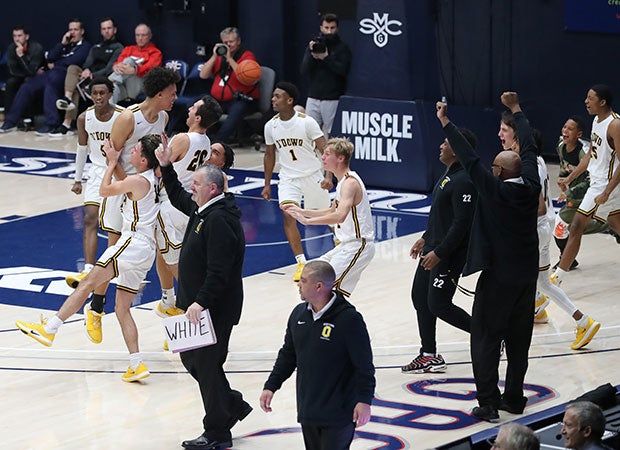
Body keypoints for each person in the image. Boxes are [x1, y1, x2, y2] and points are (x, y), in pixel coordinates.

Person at [16, 134, 162, 382]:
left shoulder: (139, 180)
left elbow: (105, 190)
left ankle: (50, 329)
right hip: (145, 250)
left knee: (87, 283)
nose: (131, 153)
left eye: (135, 151)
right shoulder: (152, 179)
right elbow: (124, 182)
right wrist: (114, 162)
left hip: (131, 242)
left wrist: (109, 163)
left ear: (144, 160)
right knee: (122, 308)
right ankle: (136, 364)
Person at [437, 93, 540, 423]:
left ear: (498, 172)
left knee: (484, 337)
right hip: (526, 277)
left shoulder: (495, 190)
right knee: (519, 341)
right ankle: (514, 396)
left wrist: (445, 123)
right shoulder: (531, 185)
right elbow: (530, 150)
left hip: (497, 277)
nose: (491, 169)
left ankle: (488, 402)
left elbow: (468, 159)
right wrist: (518, 111)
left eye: (495, 166)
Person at [65, 66, 179, 340]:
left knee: (157, 243)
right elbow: (111, 157)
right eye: (172, 93)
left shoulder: (162, 117)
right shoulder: (128, 118)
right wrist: (128, 187)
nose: (175, 97)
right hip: (122, 188)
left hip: (145, 190)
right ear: (160, 93)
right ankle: (95, 307)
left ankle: (168, 300)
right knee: (114, 245)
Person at [155, 141, 251, 450]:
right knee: (192, 361)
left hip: (214, 309)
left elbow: (219, 273)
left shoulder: (220, 221)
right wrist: (166, 167)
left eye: (196, 183)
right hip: (197, 308)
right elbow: (178, 195)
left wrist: (200, 302)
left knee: (208, 367)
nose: (191, 187)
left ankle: (217, 433)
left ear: (211, 188)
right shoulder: (203, 209)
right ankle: (231, 404)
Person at [498, 114, 600, 349]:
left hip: (534, 229)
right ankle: (572, 318)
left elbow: (538, 205)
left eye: (506, 131)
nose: (503, 136)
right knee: (543, 282)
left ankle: (503, 331)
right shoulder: (539, 161)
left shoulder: (524, 165)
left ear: (519, 138)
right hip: (545, 226)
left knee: (512, 279)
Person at [260, 261, 375, 450]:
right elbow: (288, 355)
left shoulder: (349, 319)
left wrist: (364, 401)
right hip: (309, 410)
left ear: (319, 286)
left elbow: (364, 366)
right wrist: (271, 385)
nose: (298, 284)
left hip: (340, 413)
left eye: (303, 281)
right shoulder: (298, 315)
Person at [401, 128, 476, 374]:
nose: (441, 146)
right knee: (419, 298)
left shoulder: (465, 180)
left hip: (448, 254)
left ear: (457, 149)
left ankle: (489, 335)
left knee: (439, 304)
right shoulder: (449, 175)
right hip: (433, 248)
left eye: (446, 143)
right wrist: (425, 238)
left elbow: (462, 225)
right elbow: (441, 216)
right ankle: (429, 354)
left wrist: (440, 253)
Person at [153, 95, 223, 318]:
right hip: (189, 204)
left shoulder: (182, 138)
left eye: (193, 107)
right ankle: (167, 300)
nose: (189, 109)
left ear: (198, 117)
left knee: (177, 265)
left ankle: (196, 308)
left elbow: (158, 170)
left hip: (171, 204)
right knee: (163, 252)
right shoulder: (206, 141)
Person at [283, 137, 375, 297]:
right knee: (311, 272)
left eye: (327, 154)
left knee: (322, 289)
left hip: (358, 245)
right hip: (346, 246)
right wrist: (301, 211)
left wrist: (308, 221)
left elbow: (339, 216)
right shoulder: (342, 182)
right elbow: (331, 210)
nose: (322, 157)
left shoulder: (350, 183)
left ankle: (334, 320)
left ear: (340, 158)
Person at [261, 81, 332, 281]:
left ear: (289, 100)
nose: (273, 99)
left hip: (312, 175)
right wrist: (267, 184)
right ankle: (301, 262)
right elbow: (269, 155)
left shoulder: (306, 122)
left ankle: (341, 241)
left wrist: (328, 176)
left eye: (277, 96)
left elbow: (324, 149)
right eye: (273, 96)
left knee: (328, 216)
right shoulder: (271, 126)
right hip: (288, 178)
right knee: (288, 214)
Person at [551, 85, 620, 285]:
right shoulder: (597, 120)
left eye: (590, 98)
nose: (586, 101)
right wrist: (571, 177)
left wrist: (607, 191)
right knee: (616, 224)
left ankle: (558, 278)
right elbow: (591, 154)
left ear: (603, 102)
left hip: (606, 185)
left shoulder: (615, 124)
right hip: (598, 182)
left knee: (576, 225)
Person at [67, 77, 124, 294]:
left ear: (110, 94)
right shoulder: (84, 117)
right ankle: (89, 268)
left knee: (115, 227)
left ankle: (114, 268)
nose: (98, 97)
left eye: (102, 93)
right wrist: (77, 179)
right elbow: (82, 148)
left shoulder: (122, 116)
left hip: (118, 173)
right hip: (97, 172)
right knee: (90, 217)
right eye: (95, 93)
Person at [0, 18, 91, 135]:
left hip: (65, 73)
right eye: (70, 29)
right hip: (51, 72)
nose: (72, 32)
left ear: (81, 31)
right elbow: (50, 56)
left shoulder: (85, 46)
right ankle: (10, 121)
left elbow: (73, 61)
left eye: (75, 29)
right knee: (27, 86)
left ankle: (51, 124)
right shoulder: (65, 45)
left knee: (50, 85)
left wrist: (55, 64)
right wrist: (62, 43)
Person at [552, 116, 608, 268]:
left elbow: (591, 181)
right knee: (573, 226)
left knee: (561, 226)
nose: (565, 130)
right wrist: (562, 179)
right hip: (576, 191)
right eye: (564, 127)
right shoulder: (561, 145)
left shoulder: (584, 153)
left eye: (570, 129)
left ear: (578, 134)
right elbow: (564, 166)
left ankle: (566, 260)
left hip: (588, 191)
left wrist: (570, 192)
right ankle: (569, 259)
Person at [52, 17, 124, 136]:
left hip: (103, 79)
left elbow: (109, 68)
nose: (106, 31)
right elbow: (87, 64)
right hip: (87, 78)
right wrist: (86, 70)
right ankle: (67, 99)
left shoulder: (118, 47)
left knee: (76, 85)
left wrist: (92, 74)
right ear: (101, 31)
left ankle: (66, 124)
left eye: (109, 28)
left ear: (114, 30)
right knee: (73, 68)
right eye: (104, 28)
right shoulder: (96, 47)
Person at [199, 26, 259, 144]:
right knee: (198, 103)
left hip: (240, 100)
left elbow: (245, 77)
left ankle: (218, 142)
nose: (228, 45)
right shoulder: (219, 57)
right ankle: (205, 137)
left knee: (238, 109)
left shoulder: (247, 56)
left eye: (231, 42)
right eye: (225, 42)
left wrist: (230, 59)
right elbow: (203, 75)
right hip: (219, 100)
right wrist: (214, 56)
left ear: (238, 41)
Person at [300, 12, 352, 136]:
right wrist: (311, 55)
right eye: (326, 28)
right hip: (313, 96)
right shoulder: (314, 45)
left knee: (331, 134)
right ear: (321, 28)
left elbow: (343, 71)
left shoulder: (343, 48)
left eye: (332, 28)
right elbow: (304, 70)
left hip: (332, 98)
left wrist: (326, 58)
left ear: (337, 29)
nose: (329, 32)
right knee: (309, 133)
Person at [108, 23, 162, 104]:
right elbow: (119, 63)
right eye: (137, 35)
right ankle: (109, 115)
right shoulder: (128, 49)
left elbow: (150, 70)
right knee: (112, 88)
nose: (140, 38)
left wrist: (135, 70)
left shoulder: (155, 53)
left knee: (129, 60)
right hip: (124, 86)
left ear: (150, 36)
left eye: (143, 35)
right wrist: (115, 66)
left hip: (141, 86)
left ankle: (108, 81)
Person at [2, 25, 44, 119]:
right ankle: (8, 118)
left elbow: (32, 71)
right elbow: (12, 70)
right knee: (10, 83)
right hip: (21, 76)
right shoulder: (11, 48)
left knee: (28, 81)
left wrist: (21, 56)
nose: (17, 39)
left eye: (19, 36)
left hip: (39, 78)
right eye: (15, 36)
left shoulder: (36, 48)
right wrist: (27, 72)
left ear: (27, 37)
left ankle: (28, 118)